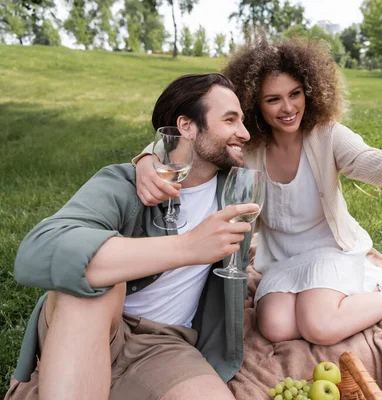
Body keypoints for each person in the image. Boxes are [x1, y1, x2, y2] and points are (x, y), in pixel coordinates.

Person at [135, 38, 382, 347]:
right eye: (273, 99)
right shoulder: (249, 146)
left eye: (295, 93)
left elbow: (371, 163)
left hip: (330, 249)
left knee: (318, 325)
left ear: (310, 91)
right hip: (281, 259)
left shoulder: (326, 135)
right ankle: (368, 284)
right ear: (254, 104)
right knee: (275, 328)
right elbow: (184, 142)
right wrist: (147, 160)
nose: (288, 107)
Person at [5, 73, 259, 400]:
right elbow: (36, 253)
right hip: (92, 323)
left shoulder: (238, 191)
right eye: (230, 120)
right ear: (187, 126)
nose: (244, 132)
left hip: (165, 346)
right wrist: (188, 247)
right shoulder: (125, 184)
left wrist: (151, 155)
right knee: (97, 286)